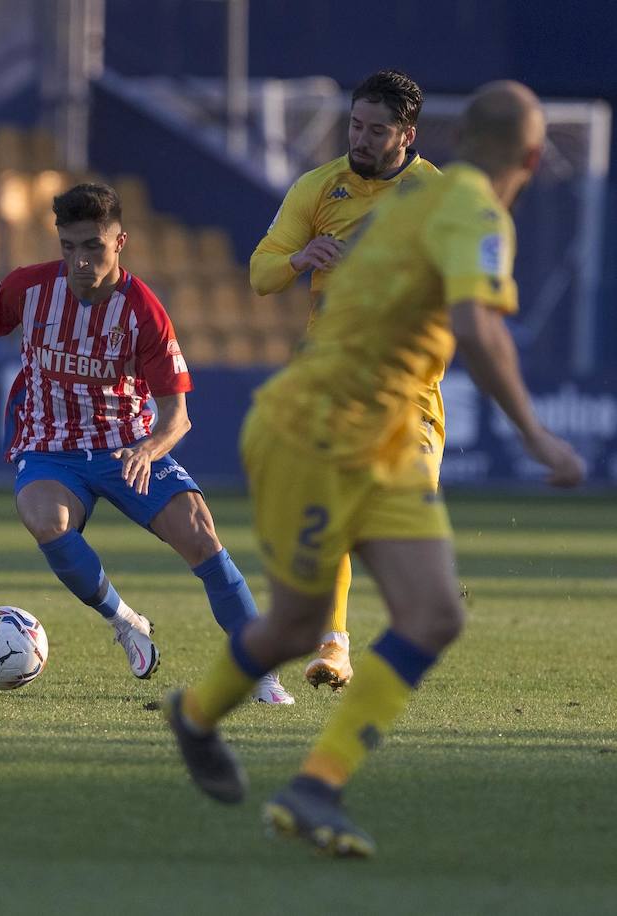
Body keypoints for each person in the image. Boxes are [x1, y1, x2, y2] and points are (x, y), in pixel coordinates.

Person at [165, 81, 585, 857]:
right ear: (533, 156)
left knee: (426, 615)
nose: (359, 137)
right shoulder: (472, 211)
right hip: (319, 422)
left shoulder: (419, 200)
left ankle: (310, 783)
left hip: (383, 425)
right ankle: (197, 716)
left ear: (442, 139)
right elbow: (478, 329)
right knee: (301, 624)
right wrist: (537, 436)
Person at [0, 182, 292, 704]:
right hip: (49, 444)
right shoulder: (29, 288)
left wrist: (147, 450)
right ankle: (123, 620)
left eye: (93, 246)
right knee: (46, 520)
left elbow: (178, 417)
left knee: (201, 536)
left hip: (127, 445)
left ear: (121, 242)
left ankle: (259, 671)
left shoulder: (144, 313)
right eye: (68, 246)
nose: (80, 260)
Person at [250, 69, 440, 690]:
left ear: (406, 135)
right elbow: (261, 271)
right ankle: (334, 644)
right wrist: (300, 259)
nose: (360, 138)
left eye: (376, 130)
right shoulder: (318, 187)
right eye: (355, 125)